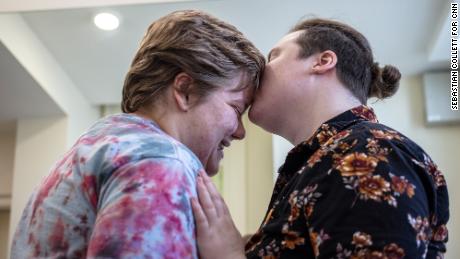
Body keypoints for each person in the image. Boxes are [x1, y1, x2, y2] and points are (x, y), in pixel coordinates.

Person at [10, 10, 264, 258]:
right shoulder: (161, 164)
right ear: (185, 91)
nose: (241, 132)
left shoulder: (92, 147)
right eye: (236, 108)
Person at [192, 18, 449, 259]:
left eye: (273, 56)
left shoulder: (369, 153)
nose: (261, 70)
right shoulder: (331, 158)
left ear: (323, 61)